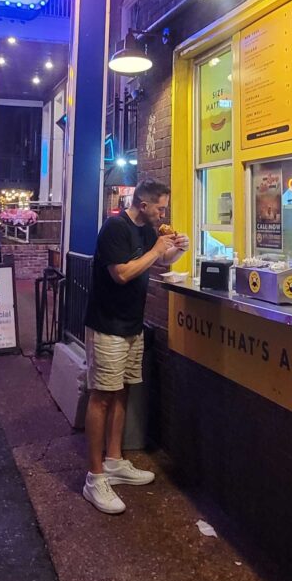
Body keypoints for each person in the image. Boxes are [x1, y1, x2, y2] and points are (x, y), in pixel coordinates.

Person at [82, 177, 189, 514]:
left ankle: (114, 460)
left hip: (131, 325)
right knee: (102, 396)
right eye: (160, 207)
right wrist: (158, 249)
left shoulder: (146, 230)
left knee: (123, 390)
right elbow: (123, 274)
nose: (163, 213)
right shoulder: (115, 228)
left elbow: (158, 262)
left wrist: (176, 250)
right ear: (143, 205)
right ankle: (94, 477)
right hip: (108, 325)